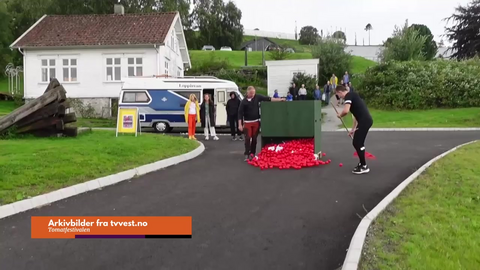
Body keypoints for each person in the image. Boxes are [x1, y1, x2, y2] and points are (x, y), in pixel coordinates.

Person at [238, 86, 286, 161]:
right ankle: (247, 153)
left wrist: (279, 100)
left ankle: (252, 153)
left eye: (253, 93)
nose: (253, 94)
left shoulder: (257, 97)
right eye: (251, 93)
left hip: (256, 121)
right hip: (247, 122)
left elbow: (268, 99)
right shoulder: (243, 102)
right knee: (247, 138)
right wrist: (240, 124)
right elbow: (240, 113)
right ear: (247, 92)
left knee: (254, 139)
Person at [335, 85, 373, 175]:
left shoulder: (349, 96)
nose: (339, 97)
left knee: (357, 143)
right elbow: (355, 116)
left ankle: (364, 166)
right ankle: (361, 163)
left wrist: (340, 115)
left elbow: (346, 111)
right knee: (357, 142)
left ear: (340, 92)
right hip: (364, 121)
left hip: (365, 121)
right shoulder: (353, 96)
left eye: (338, 95)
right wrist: (353, 129)